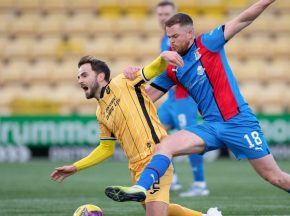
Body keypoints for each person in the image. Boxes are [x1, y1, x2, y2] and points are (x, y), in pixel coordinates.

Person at [106, 0, 290, 215]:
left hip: (239, 122)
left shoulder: (209, 42)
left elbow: (244, 18)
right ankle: (140, 188)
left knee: (274, 177)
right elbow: (145, 98)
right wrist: (133, 79)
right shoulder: (171, 68)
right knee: (164, 146)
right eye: (169, 37)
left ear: (190, 34)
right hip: (210, 127)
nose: (171, 42)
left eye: (175, 36)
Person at [50, 55, 222, 216]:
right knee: (164, 210)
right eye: (79, 77)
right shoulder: (100, 112)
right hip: (136, 168)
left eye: (84, 75)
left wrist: (163, 57)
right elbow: (106, 148)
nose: (80, 80)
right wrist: (75, 167)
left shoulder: (122, 81)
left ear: (100, 76)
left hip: (154, 158)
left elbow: (152, 70)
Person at [155, 0, 209, 197]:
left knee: (190, 141)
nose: (163, 17)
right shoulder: (164, 39)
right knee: (155, 133)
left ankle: (200, 184)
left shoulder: (183, 40)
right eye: (160, 14)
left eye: (166, 14)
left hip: (183, 98)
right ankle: (172, 178)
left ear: (174, 14)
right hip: (170, 99)